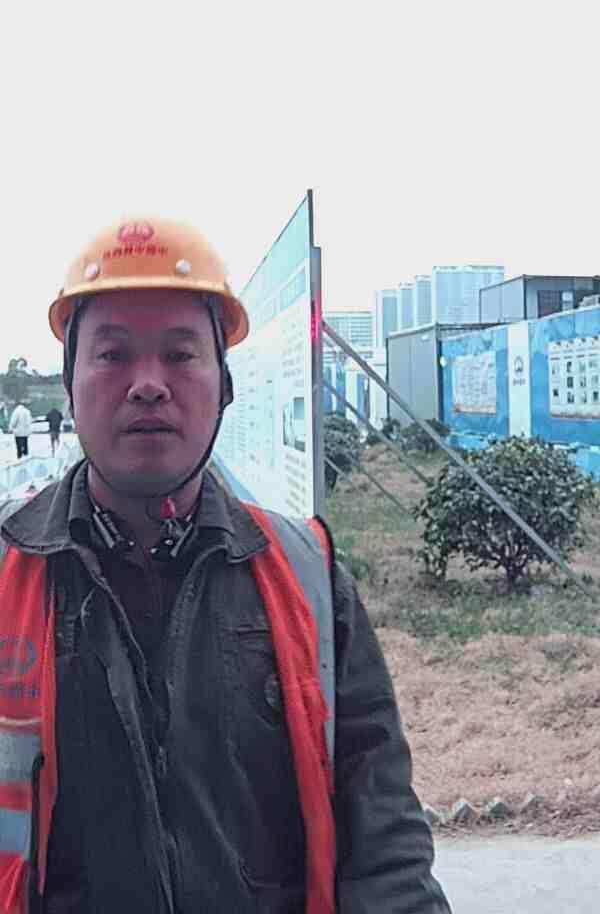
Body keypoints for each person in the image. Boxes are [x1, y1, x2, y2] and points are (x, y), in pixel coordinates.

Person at [0, 218, 451, 914]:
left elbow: (383, 845)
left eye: (180, 355)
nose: (148, 385)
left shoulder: (308, 578)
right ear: (68, 382)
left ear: (225, 384)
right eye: (113, 354)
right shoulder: (8, 576)